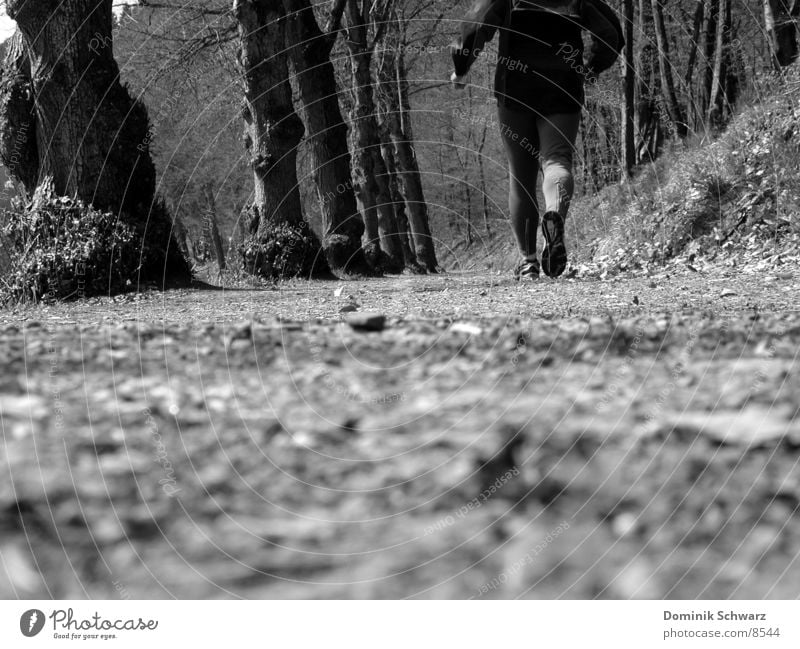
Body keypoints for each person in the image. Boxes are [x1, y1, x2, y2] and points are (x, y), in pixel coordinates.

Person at [451, 0, 623, 278]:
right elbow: (612, 34)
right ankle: (553, 213)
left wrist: (461, 67)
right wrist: (591, 67)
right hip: (563, 86)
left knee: (521, 176)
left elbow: (476, 26)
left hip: (515, 89)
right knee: (557, 161)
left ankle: (528, 262)